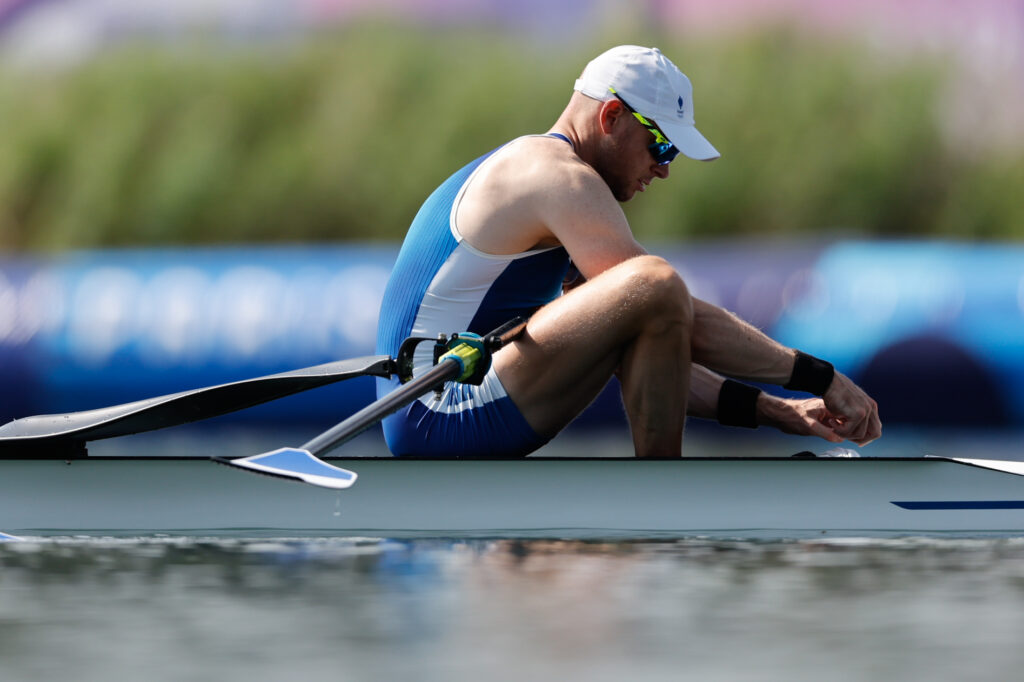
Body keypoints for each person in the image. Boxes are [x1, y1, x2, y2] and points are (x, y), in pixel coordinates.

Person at [375, 44, 881, 457]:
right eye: (661, 146)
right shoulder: (555, 176)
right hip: (437, 410)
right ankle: (661, 504)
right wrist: (821, 377)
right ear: (612, 115)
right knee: (654, 282)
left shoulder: (543, 184)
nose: (664, 169)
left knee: (642, 300)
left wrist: (778, 410)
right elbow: (670, 305)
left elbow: (655, 352)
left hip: (443, 407)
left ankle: (655, 505)